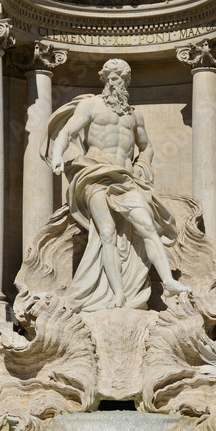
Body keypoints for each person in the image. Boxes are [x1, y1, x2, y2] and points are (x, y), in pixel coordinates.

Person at [42, 59, 191, 310]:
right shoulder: (91, 106)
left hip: (126, 179)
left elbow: (146, 146)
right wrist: (57, 155)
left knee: (148, 227)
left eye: (119, 78)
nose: (114, 82)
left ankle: (169, 282)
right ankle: (118, 294)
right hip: (94, 175)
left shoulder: (134, 115)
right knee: (107, 233)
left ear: (127, 82)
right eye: (110, 77)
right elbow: (67, 132)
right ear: (104, 80)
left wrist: (143, 166)